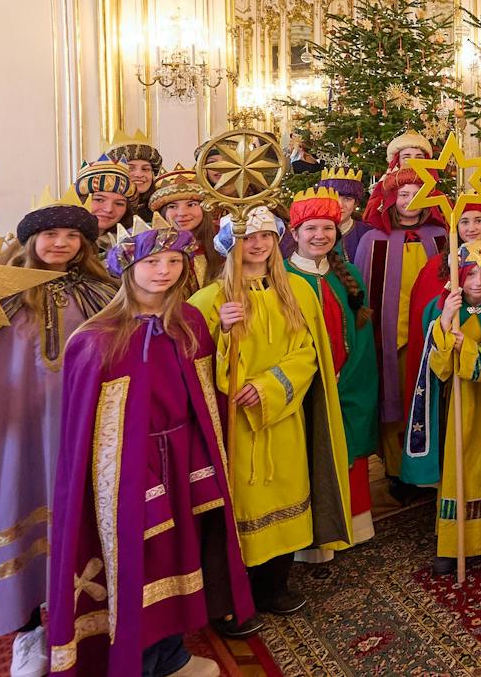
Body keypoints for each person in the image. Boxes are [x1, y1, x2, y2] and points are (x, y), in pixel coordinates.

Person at [47, 218, 253, 675]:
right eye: (152, 261)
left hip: (185, 460)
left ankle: (171, 655)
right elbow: (86, 437)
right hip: (127, 473)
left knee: (185, 556)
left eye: (174, 261)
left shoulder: (191, 322)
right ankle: (136, 662)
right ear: (128, 267)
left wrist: (226, 337)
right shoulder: (97, 340)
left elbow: (206, 396)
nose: (164, 271)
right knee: (140, 566)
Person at [192, 208, 352, 629]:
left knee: (287, 495)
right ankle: (232, 596)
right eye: (247, 236)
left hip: (284, 418)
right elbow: (191, 367)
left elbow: (308, 353)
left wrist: (268, 386)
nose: (258, 244)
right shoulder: (209, 300)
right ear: (230, 245)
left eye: (265, 235)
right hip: (235, 430)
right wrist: (222, 332)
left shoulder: (297, 291)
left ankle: (273, 586)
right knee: (240, 504)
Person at [0, 203, 114, 669]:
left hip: (79, 433)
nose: (60, 244)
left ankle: (85, 624)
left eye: (71, 236)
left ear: (84, 245)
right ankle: (28, 631)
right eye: (49, 234)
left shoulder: (103, 293)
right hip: (11, 438)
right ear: (30, 241)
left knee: (81, 525)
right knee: (16, 510)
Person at [404, 241, 481, 574]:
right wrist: (445, 325)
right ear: (458, 276)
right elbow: (436, 368)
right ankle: (456, 542)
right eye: (471, 275)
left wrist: (466, 347)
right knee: (461, 470)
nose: (478, 283)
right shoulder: (438, 309)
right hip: (458, 406)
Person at [286, 187, 380, 553]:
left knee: (349, 450)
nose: (319, 236)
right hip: (306, 385)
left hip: (347, 382)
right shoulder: (283, 278)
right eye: (310, 229)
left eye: (327, 228)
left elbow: (360, 336)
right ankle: (311, 540)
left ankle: (353, 528)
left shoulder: (348, 275)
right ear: (295, 234)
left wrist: (349, 377)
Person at [352, 166, 447, 488]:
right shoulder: (372, 240)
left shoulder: (441, 237)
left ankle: (431, 468)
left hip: (432, 335)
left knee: (428, 398)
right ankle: (395, 470)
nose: (410, 200)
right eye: (403, 194)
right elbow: (363, 290)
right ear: (391, 199)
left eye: (417, 194)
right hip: (389, 338)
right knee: (393, 401)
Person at [407, 201, 481, 396]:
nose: (471, 228)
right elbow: (427, 320)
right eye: (464, 222)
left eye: (478, 220)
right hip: (450, 384)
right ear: (455, 226)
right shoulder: (433, 269)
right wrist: (445, 318)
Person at [149, 165, 224, 287]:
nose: (182, 213)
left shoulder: (221, 240)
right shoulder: (151, 248)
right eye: (172, 206)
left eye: (191, 204)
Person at [360, 131, 435, 228]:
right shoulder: (382, 191)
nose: (413, 162)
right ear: (397, 161)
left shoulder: (434, 192)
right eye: (406, 157)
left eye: (419, 157)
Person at [72, 157, 134, 251]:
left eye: (119, 204)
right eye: (99, 200)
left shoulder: (131, 245)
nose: (109, 209)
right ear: (80, 201)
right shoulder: (63, 245)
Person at [102, 133, 163, 222]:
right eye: (130, 168)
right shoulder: (103, 210)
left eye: (145, 169)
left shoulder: (162, 210)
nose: (139, 174)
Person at [318, 165, 373, 260]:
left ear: (355, 204)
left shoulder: (368, 234)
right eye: (334, 197)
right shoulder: (313, 234)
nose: (340, 205)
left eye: (347, 199)